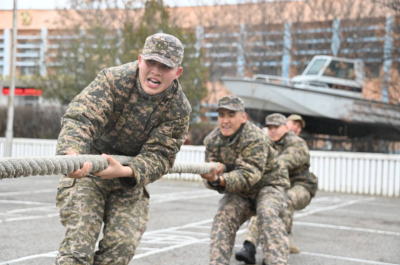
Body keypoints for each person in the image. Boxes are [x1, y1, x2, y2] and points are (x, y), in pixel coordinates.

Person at [54, 33, 191, 265]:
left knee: (120, 250)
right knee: (78, 248)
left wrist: (125, 171)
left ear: (177, 72)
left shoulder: (178, 108)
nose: (156, 71)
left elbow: (160, 155)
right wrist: (71, 155)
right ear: (140, 60)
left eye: (165, 66)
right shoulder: (113, 80)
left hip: (128, 181)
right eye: (151, 62)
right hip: (89, 172)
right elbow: (81, 118)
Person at [200, 96, 290, 265]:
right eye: (221, 115)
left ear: (243, 118)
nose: (225, 121)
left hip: (269, 185)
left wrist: (219, 178)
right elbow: (210, 177)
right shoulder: (212, 141)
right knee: (223, 216)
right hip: (241, 192)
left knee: (268, 213)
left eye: (231, 115)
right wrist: (212, 178)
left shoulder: (255, 138)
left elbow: (248, 175)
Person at [235, 113, 318, 264]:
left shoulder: (296, 143)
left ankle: (274, 251)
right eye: (270, 127)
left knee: (284, 199)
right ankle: (249, 246)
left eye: (277, 127)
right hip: (276, 185)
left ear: (285, 128)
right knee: (263, 202)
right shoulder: (264, 141)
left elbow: (283, 162)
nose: (273, 130)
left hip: (300, 185)